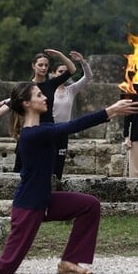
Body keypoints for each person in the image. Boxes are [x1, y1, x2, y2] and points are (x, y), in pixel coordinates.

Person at [0, 81, 138, 274]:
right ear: (27, 103)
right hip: (29, 206)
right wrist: (111, 110)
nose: (45, 97)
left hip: (44, 201)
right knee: (4, 267)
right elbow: (73, 126)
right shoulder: (32, 134)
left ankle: (68, 262)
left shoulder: (41, 130)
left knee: (89, 206)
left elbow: (64, 127)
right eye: (39, 95)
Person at [0, 49, 78, 173]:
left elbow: (72, 70)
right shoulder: (27, 86)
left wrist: (59, 56)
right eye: (40, 65)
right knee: (21, 166)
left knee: (49, 168)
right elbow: (11, 104)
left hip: (48, 128)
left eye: (46, 65)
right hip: (31, 129)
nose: (43, 68)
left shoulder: (52, 84)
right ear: (33, 66)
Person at [51, 51, 93, 179]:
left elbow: (88, 77)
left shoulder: (71, 90)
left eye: (65, 72)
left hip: (63, 131)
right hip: (49, 130)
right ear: (53, 73)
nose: (63, 75)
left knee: (59, 163)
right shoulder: (47, 90)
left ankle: (57, 188)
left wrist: (82, 61)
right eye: (60, 72)